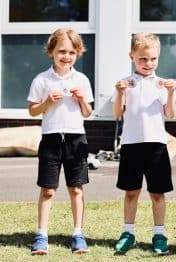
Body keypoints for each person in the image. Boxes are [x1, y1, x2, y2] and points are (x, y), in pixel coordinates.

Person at [27, 28, 94, 255]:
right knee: (48, 190)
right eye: (61, 51)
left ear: (78, 53)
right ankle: (41, 235)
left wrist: (83, 100)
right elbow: (33, 111)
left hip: (76, 139)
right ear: (51, 52)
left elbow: (87, 112)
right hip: (51, 139)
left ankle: (78, 234)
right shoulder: (42, 79)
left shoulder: (82, 80)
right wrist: (46, 102)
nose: (66, 56)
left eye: (71, 52)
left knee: (76, 188)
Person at [111, 32, 176, 255]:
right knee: (131, 192)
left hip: (156, 145)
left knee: (157, 193)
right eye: (143, 59)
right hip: (131, 144)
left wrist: (170, 92)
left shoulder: (162, 84)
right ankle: (128, 232)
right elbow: (117, 112)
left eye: (153, 59)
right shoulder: (125, 83)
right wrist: (120, 93)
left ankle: (159, 234)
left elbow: (170, 114)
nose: (148, 63)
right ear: (132, 56)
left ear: (158, 57)